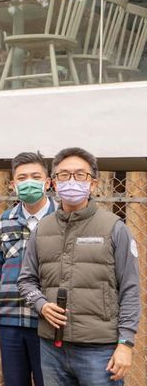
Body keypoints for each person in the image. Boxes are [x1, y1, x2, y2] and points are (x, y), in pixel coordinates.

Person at [18, 147, 141, 386]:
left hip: (100, 352)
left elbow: (130, 289)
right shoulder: (42, 229)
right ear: (53, 183)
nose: (71, 181)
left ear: (93, 184)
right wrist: (42, 306)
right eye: (64, 175)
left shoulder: (114, 228)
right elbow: (26, 280)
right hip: (51, 348)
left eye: (80, 175)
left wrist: (125, 343)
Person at [0, 152, 56, 386]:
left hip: (47, 321)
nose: (28, 182)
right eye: (22, 178)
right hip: (11, 319)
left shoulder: (60, 218)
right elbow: (1, 268)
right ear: (13, 185)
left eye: (35, 176)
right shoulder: (4, 220)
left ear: (47, 182)